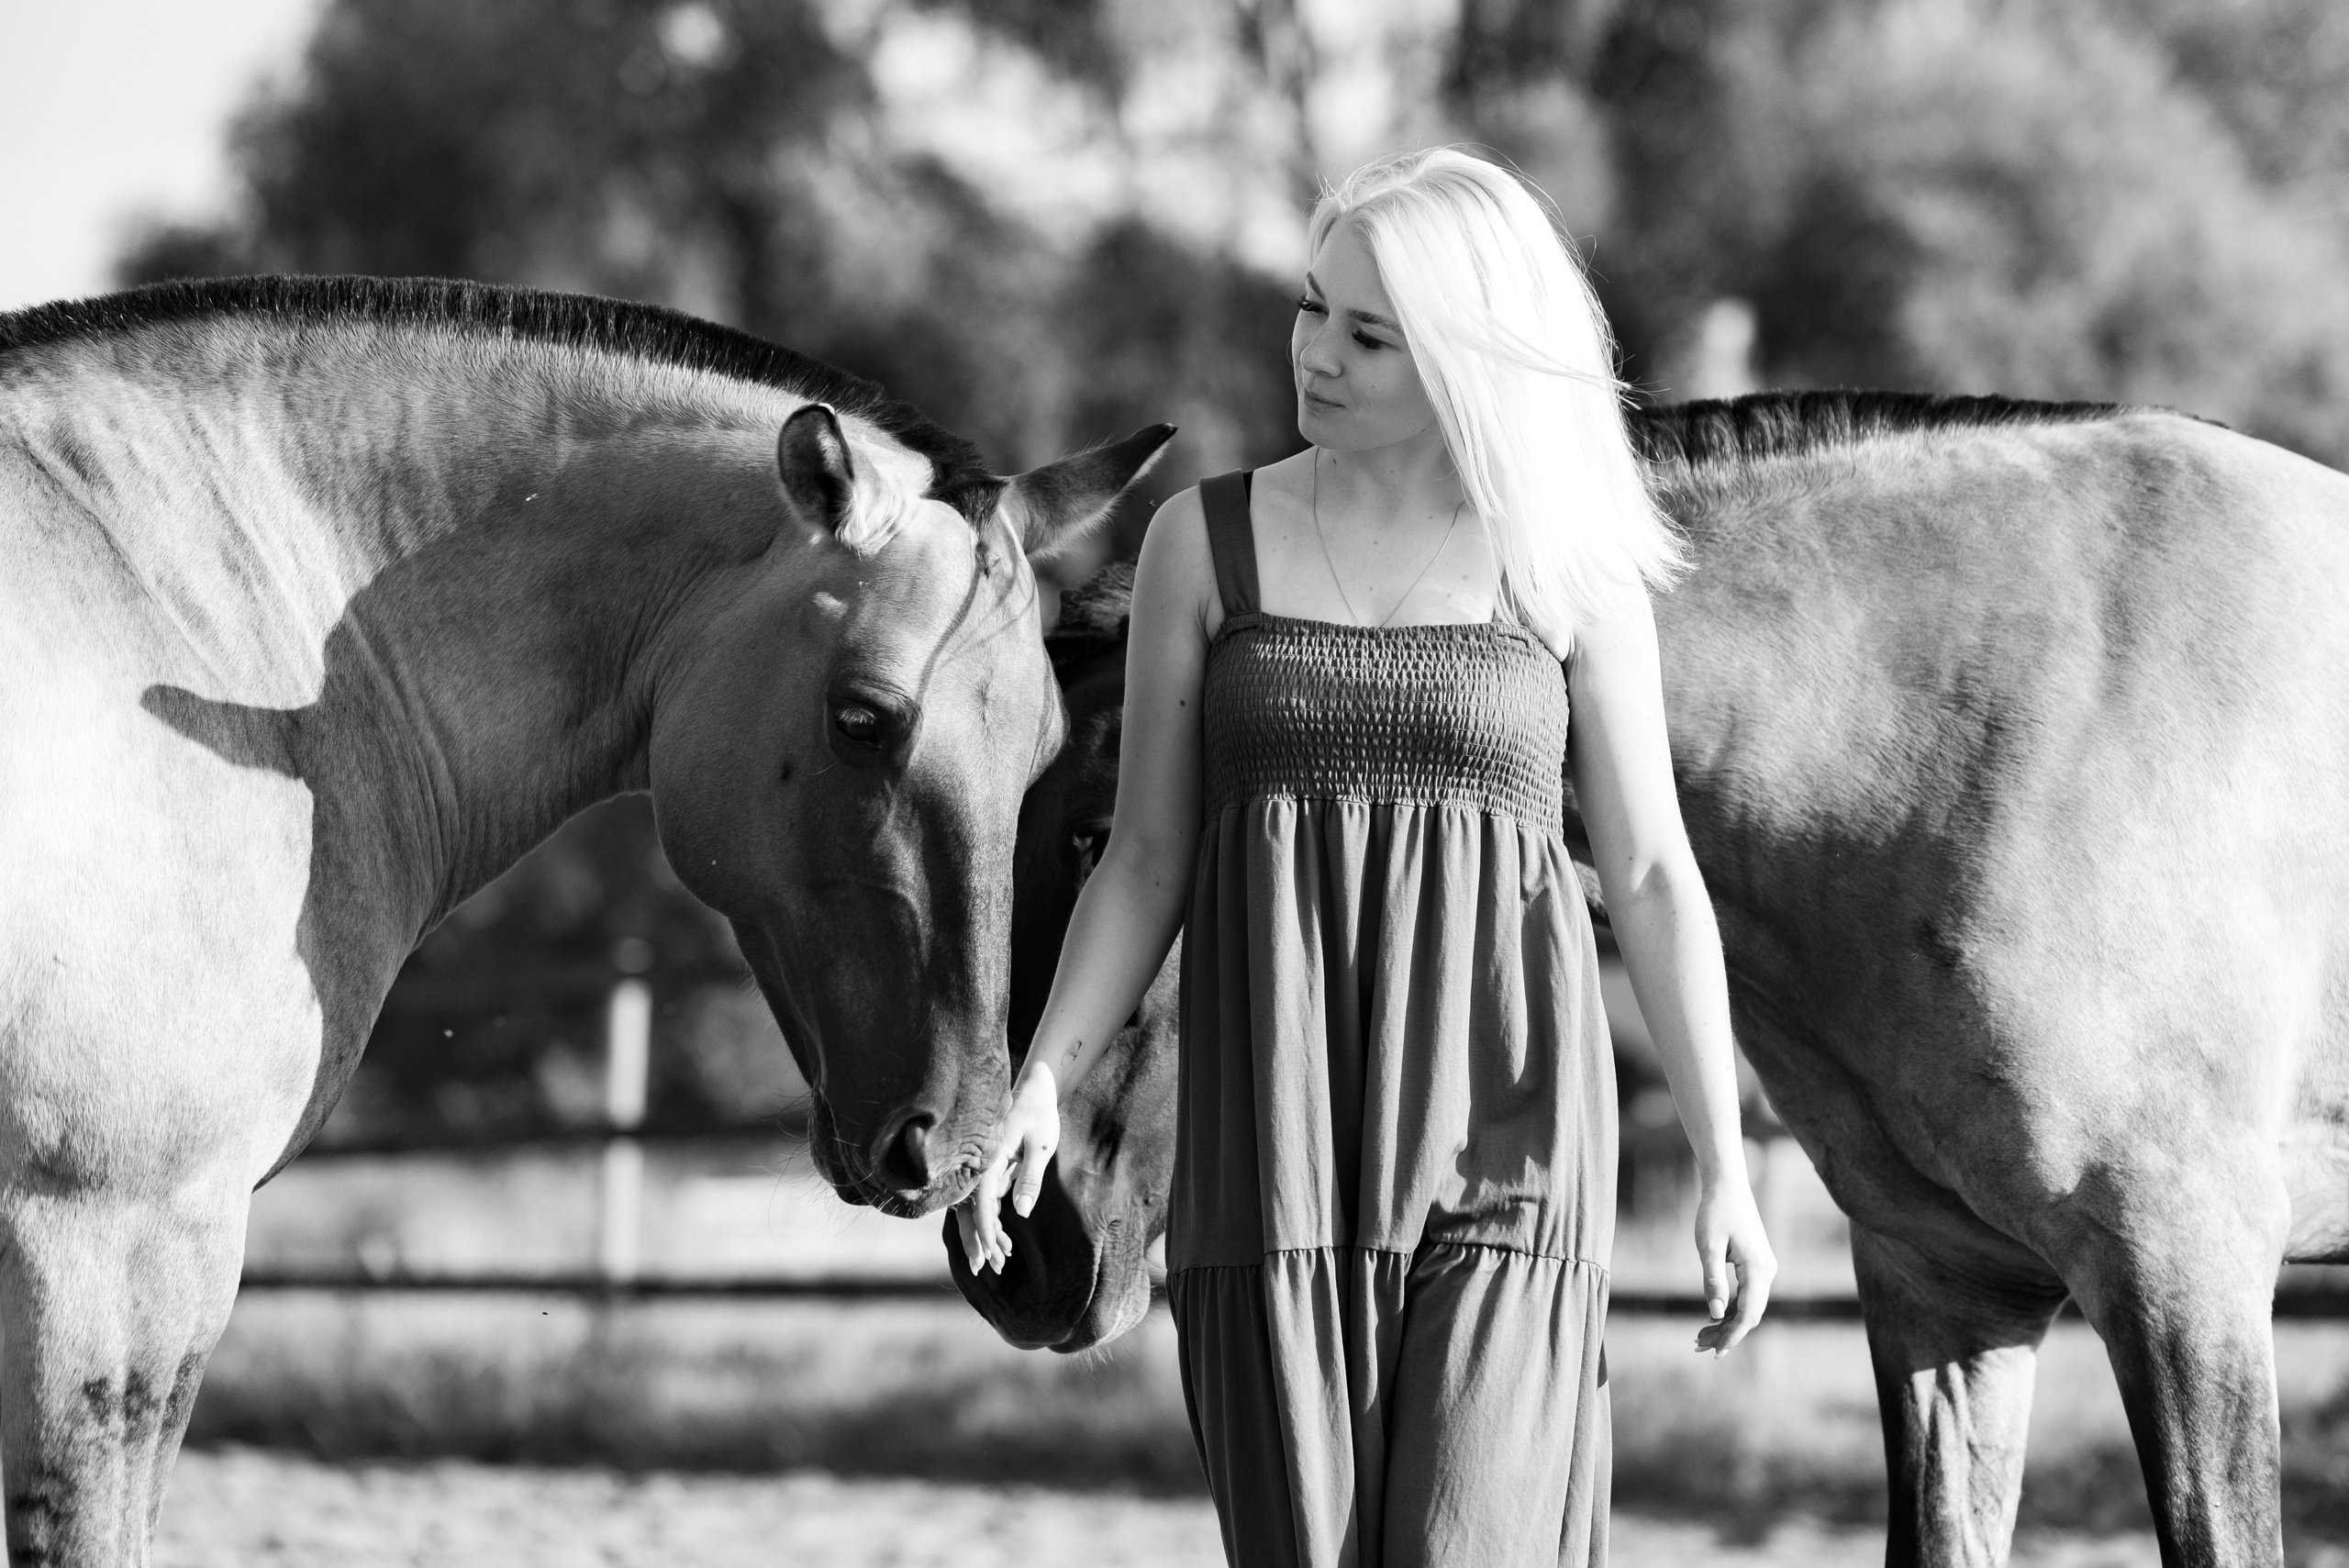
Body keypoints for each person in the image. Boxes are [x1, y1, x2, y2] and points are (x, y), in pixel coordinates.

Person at [956, 146, 1775, 1566]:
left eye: (1369, 335)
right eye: (1312, 308)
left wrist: (1725, 1163)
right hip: (1268, 1155)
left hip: (1507, 1143)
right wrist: (1040, 1085)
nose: (1316, 356)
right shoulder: (1200, 549)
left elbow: (1648, 875)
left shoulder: (1567, 565)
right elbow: (1144, 858)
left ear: (1465, 357)